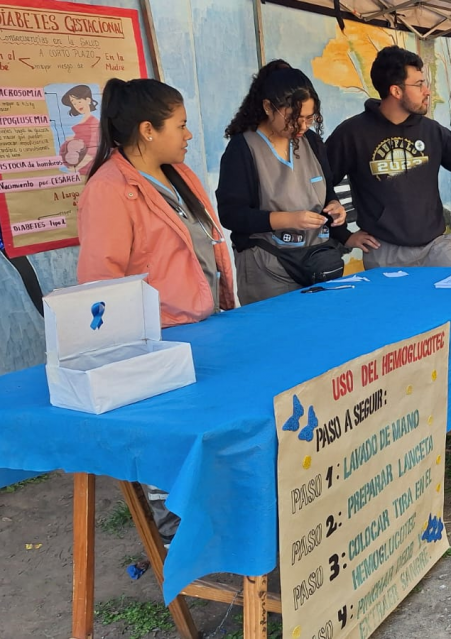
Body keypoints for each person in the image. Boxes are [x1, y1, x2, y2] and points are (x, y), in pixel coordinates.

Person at [77, 77, 236, 542]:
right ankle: (179, 542)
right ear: (148, 130)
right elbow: (99, 284)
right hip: (158, 337)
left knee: (205, 435)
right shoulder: (110, 188)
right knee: (168, 445)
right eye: (181, 126)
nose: (189, 135)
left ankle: (211, 526)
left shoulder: (179, 173)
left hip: (206, 326)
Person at [326, 46, 451, 268]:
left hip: (436, 247)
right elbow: (319, 183)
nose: (427, 91)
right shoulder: (353, 133)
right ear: (396, 91)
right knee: (398, 305)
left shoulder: (431, 131)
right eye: (419, 84)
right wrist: (344, 235)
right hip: (384, 251)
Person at [216, 61, 350, 304]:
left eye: (309, 119)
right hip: (266, 266)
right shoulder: (243, 148)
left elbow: (327, 190)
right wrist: (288, 219)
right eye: (293, 118)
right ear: (268, 107)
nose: (302, 126)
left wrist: (334, 206)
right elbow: (231, 214)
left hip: (317, 260)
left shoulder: (311, 141)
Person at [60, 84, 100, 176]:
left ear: (88, 100)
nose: (77, 105)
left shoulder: (94, 123)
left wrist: (76, 168)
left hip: (86, 168)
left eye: (79, 101)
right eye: (74, 103)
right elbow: (83, 137)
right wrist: (72, 138)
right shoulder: (83, 120)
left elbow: (92, 151)